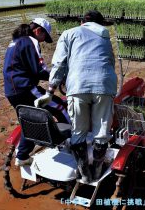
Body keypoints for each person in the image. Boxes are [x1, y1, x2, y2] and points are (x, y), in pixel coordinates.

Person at [35, 10, 117, 183]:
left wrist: (50, 91)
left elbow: (59, 64)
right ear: (100, 24)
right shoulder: (105, 36)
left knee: (78, 132)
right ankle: (97, 170)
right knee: (101, 133)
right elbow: (110, 62)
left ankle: (85, 173)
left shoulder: (69, 33)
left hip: (78, 85)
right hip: (105, 85)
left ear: (82, 22)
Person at [3, 18, 71, 166]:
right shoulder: (30, 41)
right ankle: (73, 140)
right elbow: (40, 70)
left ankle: (22, 156)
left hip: (11, 91)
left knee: (30, 120)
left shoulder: (15, 42)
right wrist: (60, 76)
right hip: (25, 88)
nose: (42, 41)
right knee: (59, 106)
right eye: (44, 37)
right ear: (38, 30)